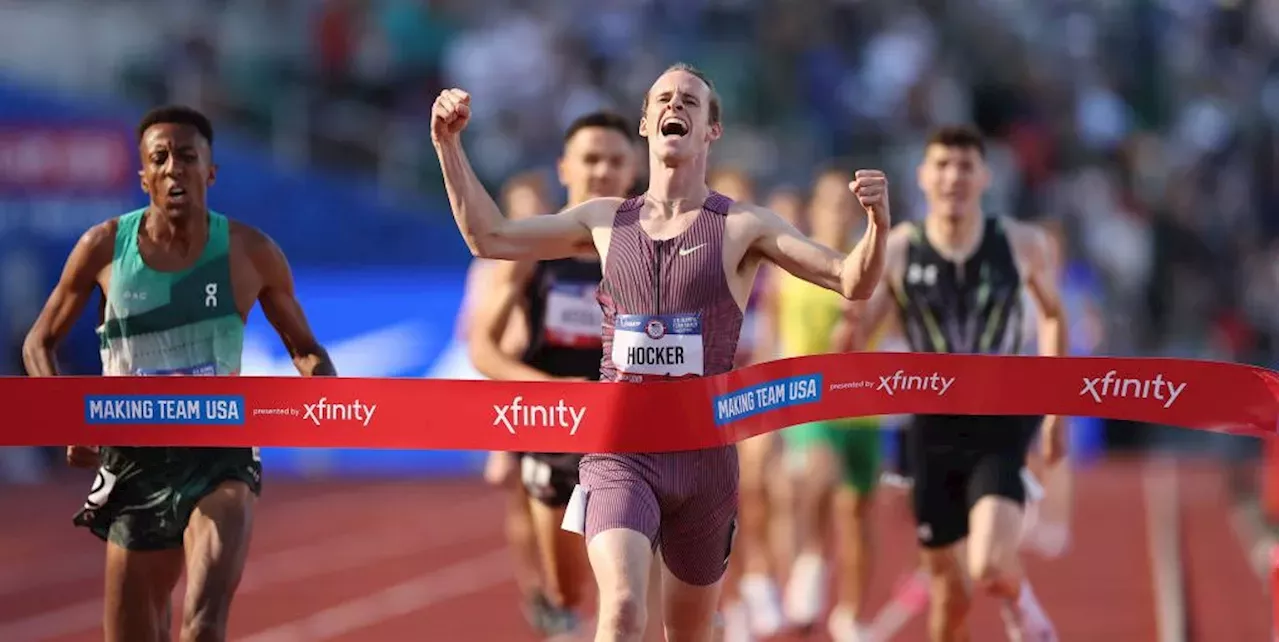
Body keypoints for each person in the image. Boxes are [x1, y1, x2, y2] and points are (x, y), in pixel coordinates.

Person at [430, 62, 891, 642]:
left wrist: (876, 224)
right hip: (620, 450)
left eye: (691, 100)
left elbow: (853, 280)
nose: (676, 104)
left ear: (709, 131)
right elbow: (488, 237)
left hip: (704, 459)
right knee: (621, 612)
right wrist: (448, 146)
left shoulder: (744, 226)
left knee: (689, 633)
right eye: (663, 98)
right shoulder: (603, 221)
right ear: (647, 123)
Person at [21, 105, 335, 642]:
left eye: (187, 157)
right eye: (159, 158)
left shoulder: (251, 252)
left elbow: (306, 350)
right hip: (132, 457)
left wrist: (326, 400)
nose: (173, 169)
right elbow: (38, 342)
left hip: (220, 453)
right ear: (143, 175)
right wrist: (62, 418)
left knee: (203, 625)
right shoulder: (102, 247)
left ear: (210, 170)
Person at [835, 125, 1065, 642]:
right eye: (941, 165)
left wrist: (1055, 410)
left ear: (984, 176)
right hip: (932, 431)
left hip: (1003, 422)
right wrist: (847, 325)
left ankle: (1019, 603)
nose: (952, 177)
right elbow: (857, 337)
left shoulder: (1022, 244)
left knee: (986, 562)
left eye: (964, 166)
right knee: (948, 587)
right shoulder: (898, 249)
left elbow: (1053, 316)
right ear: (923, 177)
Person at [469, 110, 640, 636]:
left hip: (629, 438)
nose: (602, 171)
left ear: (632, 169)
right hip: (555, 435)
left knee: (629, 593)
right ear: (565, 167)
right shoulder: (531, 249)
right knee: (568, 590)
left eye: (615, 161)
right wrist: (553, 393)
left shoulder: (647, 252)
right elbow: (484, 347)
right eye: (590, 159)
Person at [776, 168, 883, 642]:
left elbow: (887, 317)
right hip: (809, 401)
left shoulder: (872, 263)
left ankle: (850, 614)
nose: (836, 212)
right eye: (828, 203)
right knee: (817, 479)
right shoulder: (794, 264)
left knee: (857, 513)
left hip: (863, 406)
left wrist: (859, 324)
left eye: (845, 205)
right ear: (814, 208)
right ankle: (811, 563)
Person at [462, 171, 556, 630]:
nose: (529, 216)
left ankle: (563, 588)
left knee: (560, 499)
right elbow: (471, 334)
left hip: (557, 386)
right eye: (520, 208)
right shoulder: (485, 268)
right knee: (519, 498)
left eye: (536, 206)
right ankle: (537, 592)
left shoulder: (563, 258)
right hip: (510, 394)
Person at [707, 167, 786, 640]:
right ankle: (730, 597)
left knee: (754, 489)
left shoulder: (764, 265)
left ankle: (757, 576)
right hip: (707, 395)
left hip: (751, 391)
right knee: (715, 507)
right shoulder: (697, 260)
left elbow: (774, 335)